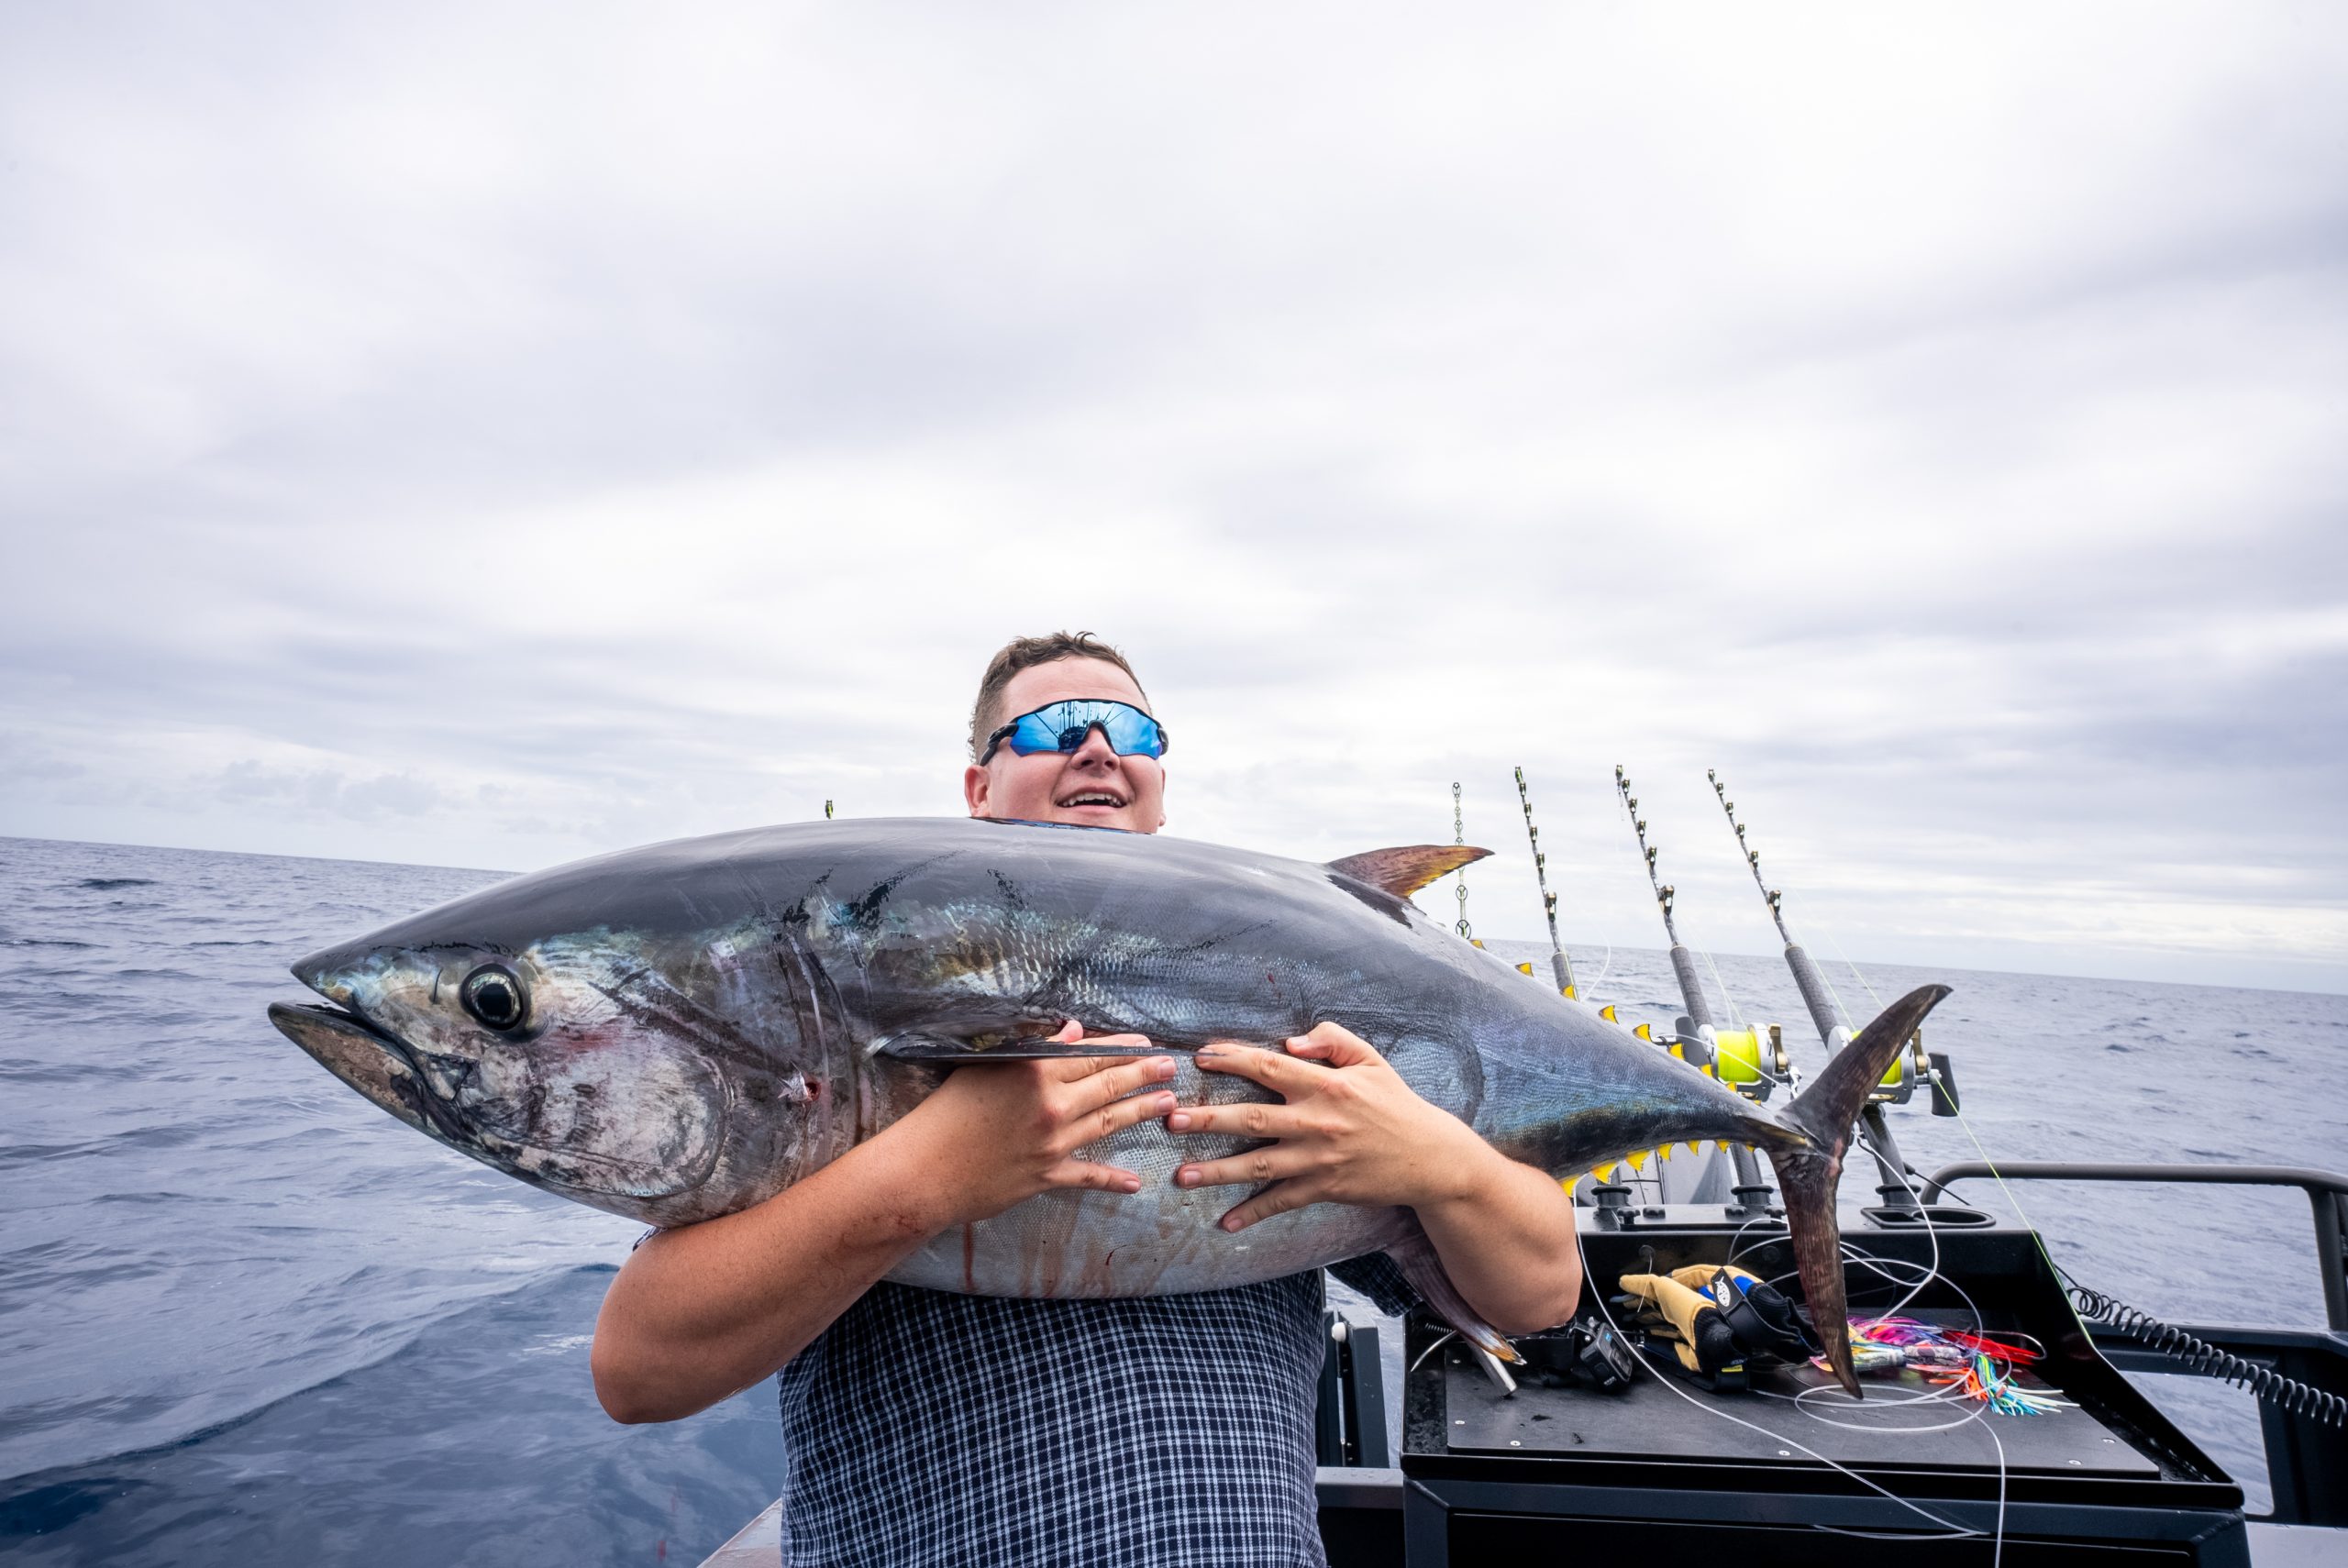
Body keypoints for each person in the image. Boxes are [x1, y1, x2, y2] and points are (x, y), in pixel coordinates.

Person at [592, 632, 1583, 1566]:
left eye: (1135, 734)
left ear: (1159, 793)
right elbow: (639, 1371)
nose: (1100, 747)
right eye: (1052, 727)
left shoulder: (1290, 1013)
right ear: (978, 789)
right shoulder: (859, 1009)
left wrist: (1438, 1162)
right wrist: (934, 1174)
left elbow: (1538, 1297)